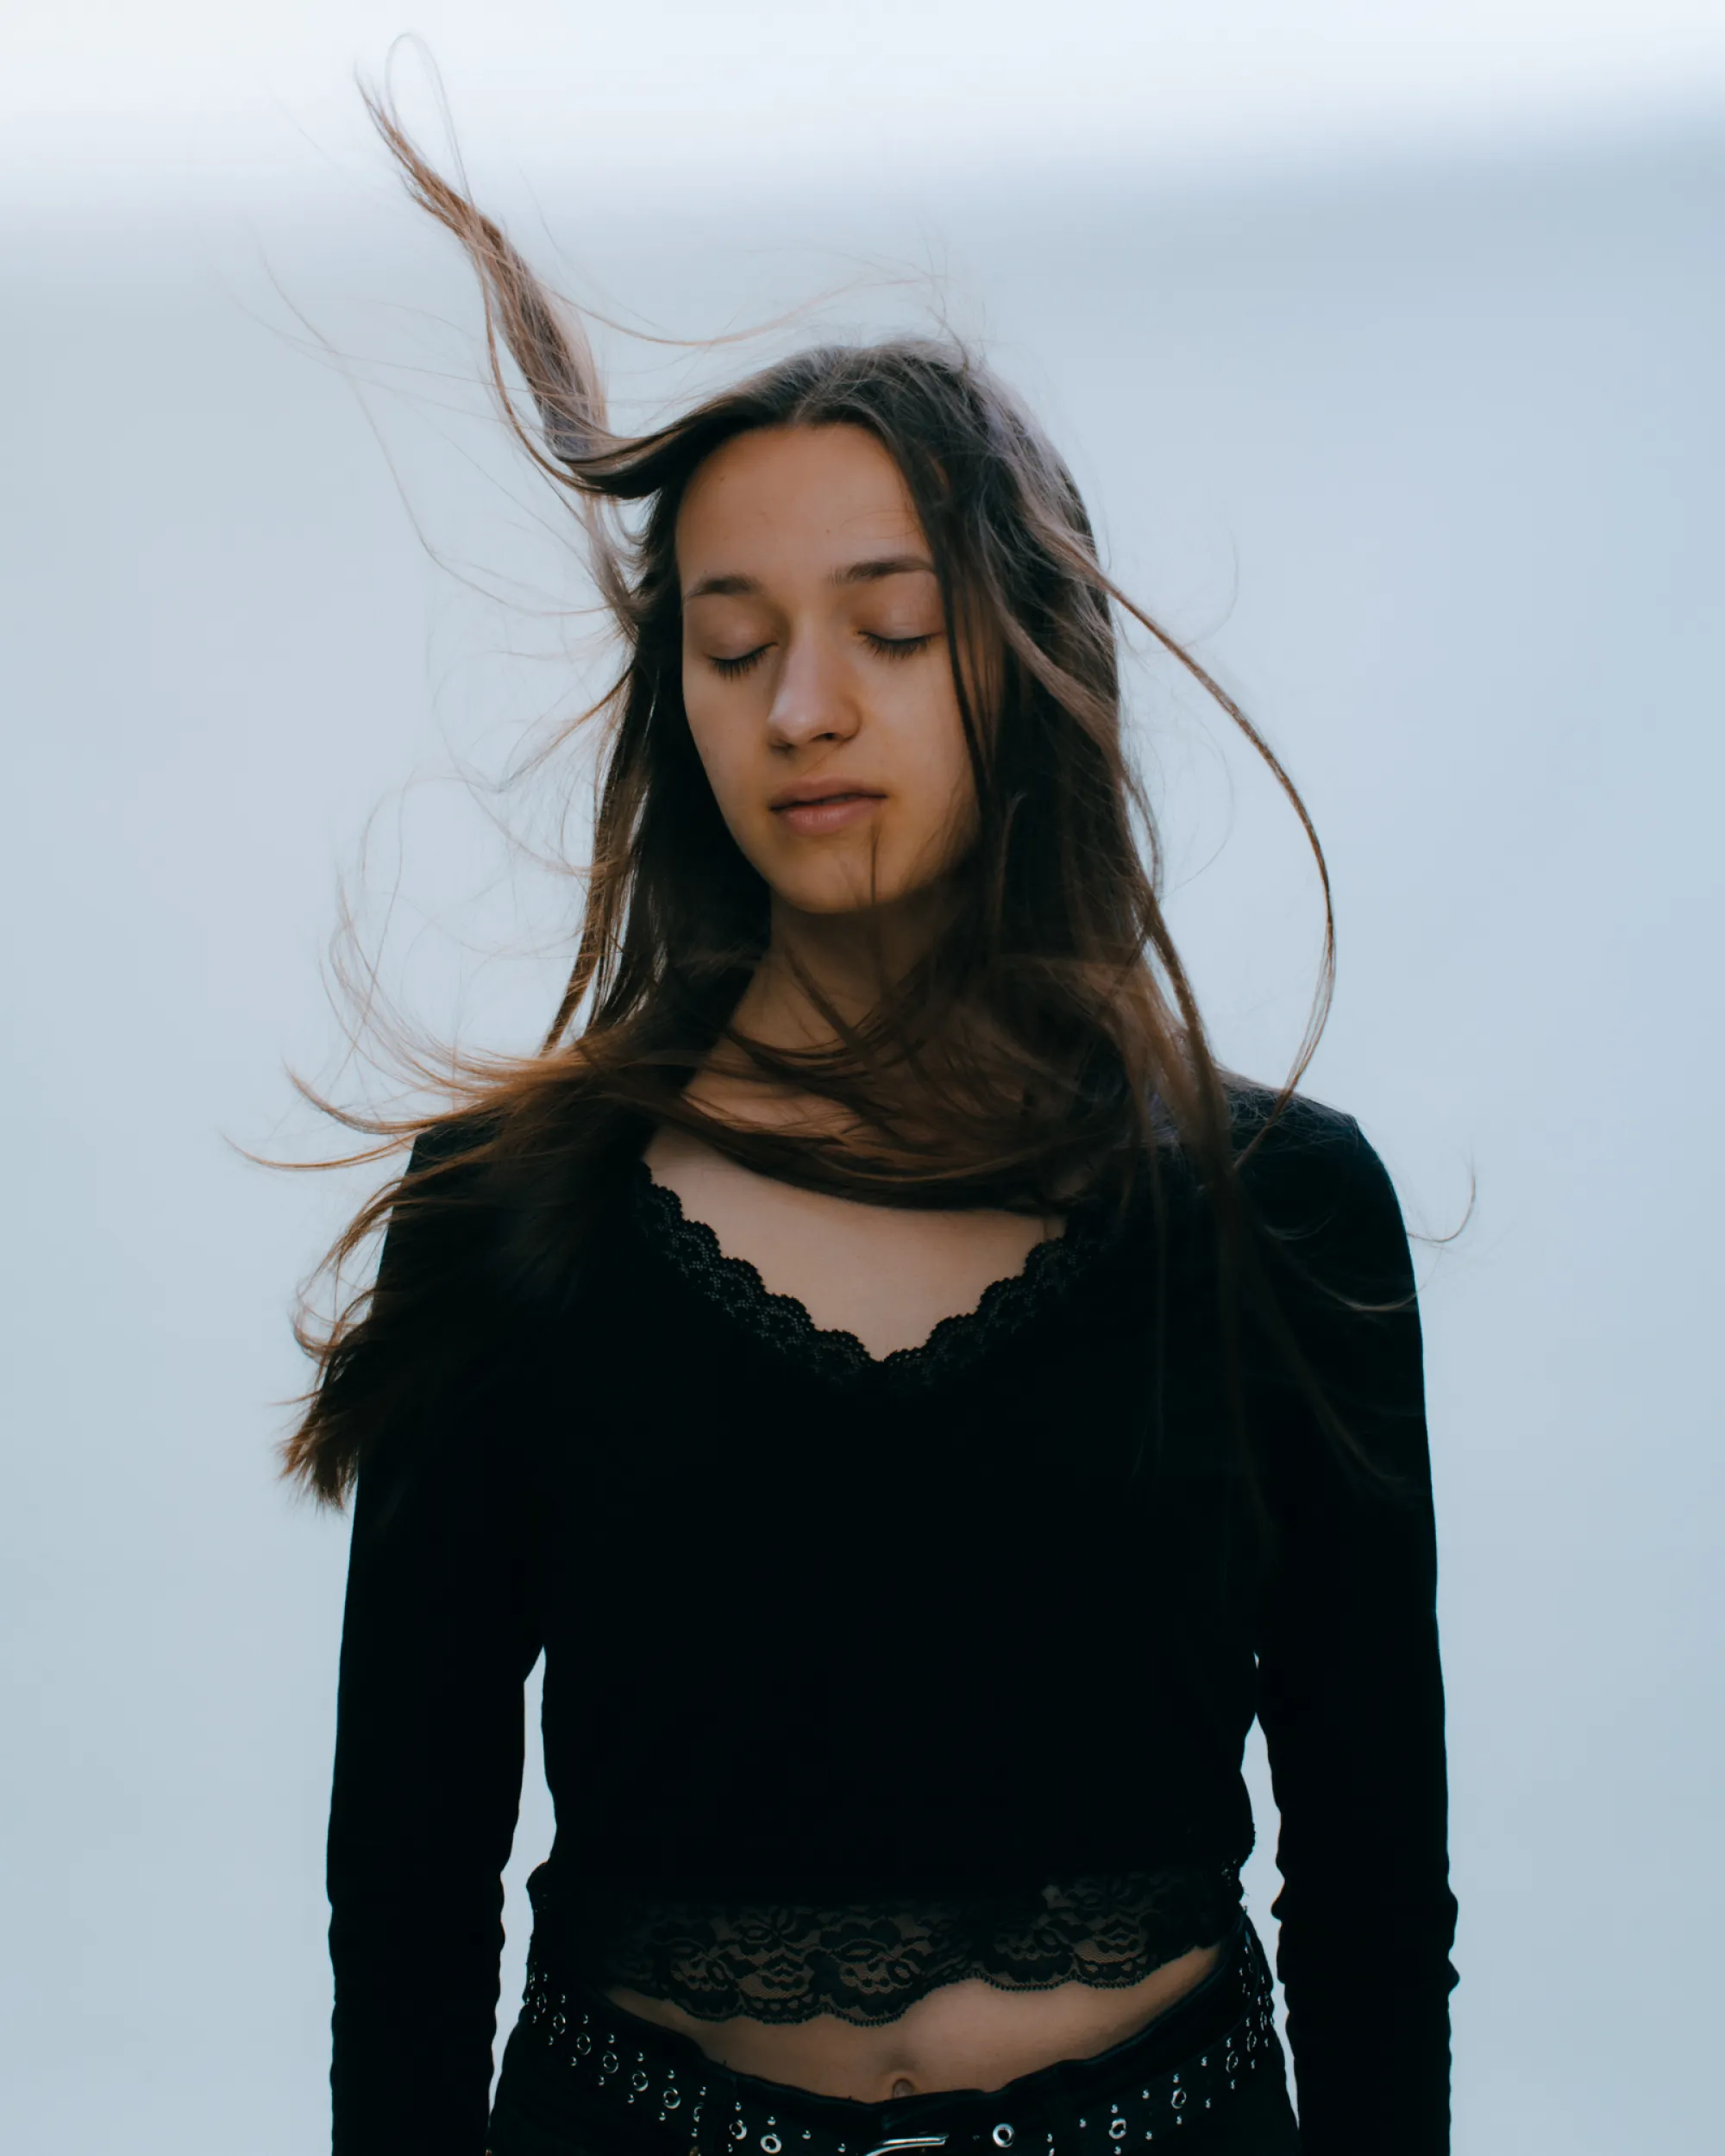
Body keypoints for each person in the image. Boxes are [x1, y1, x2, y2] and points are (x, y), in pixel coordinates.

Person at [286, 99, 1458, 2156]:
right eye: (732, 644)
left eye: (888, 630)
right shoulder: (503, 1219)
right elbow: (405, 1901)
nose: (801, 706)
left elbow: (1373, 1892)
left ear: (1026, 655)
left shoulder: (1281, 1209)